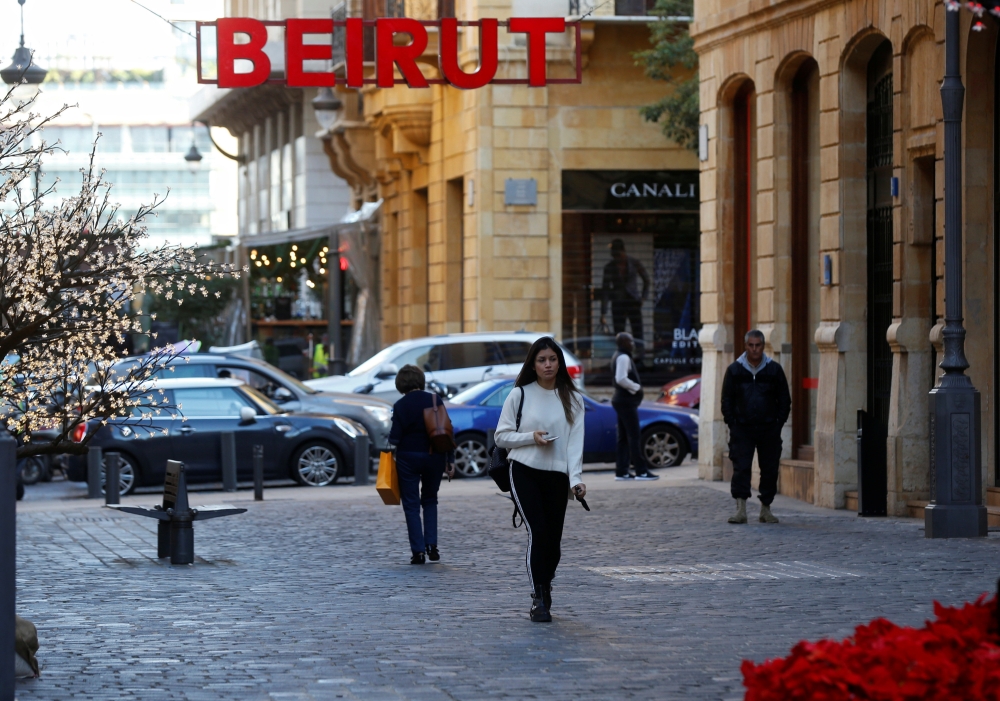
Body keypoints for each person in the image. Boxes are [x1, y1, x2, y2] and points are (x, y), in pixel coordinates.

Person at [495, 337, 586, 623]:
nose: (548, 365)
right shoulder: (520, 395)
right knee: (539, 532)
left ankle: (546, 585)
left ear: (560, 363)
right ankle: (538, 599)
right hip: (523, 470)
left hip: (557, 476)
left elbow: (575, 443)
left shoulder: (573, 398)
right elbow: (501, 436)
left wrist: (577, 479)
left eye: (553, 359)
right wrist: (530, 438)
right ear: (533, 365)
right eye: (542, 360)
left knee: (554, 543)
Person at [720, 329, 791, 525]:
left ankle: (765, 509)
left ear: (763, 346)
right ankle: (741, 509)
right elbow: (726, 399)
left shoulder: (774, 370)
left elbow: (784, 399)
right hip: (742, 428)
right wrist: (732, 423)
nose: (754, 349)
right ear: (745, 346)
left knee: (769, 469)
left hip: (769, 428)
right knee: (741, 467)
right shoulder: (734, 370)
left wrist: (778, 423)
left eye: (757, 345)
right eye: (750, 345)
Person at [388, 364, 455, 564]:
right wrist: (450, 459)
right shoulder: (434, 400)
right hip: (434, 456)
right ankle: (432, 545)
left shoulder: (400, 405)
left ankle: (418, 552)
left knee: (411, 505)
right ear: (420, 380)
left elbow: (395, 438)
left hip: (407, 458)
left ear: (401, 384)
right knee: (430, 500)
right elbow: (447, 429)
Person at [611, 332, 658, 481]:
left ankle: (622, 471)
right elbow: (621, 378)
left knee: (624, 438)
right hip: (625, 401)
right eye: (630, 341)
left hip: (622, 401)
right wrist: (636, 387)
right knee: (634, 436)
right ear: (623, 343)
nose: (633, 344)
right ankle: (641, 471)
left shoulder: (619, 355)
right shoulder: (623, 357)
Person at [600, 238, 651, 346]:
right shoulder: (609, 267)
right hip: (618, 303)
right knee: (619, 334)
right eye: (614, 255)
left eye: (618, 254)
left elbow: (647, 280)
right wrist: (603, 312)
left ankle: (640, 358)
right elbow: (605, 290)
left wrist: (642, 298)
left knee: (638, 332)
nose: (617, 258)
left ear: (623, 251)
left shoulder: (634, 263)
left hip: (633, 301)